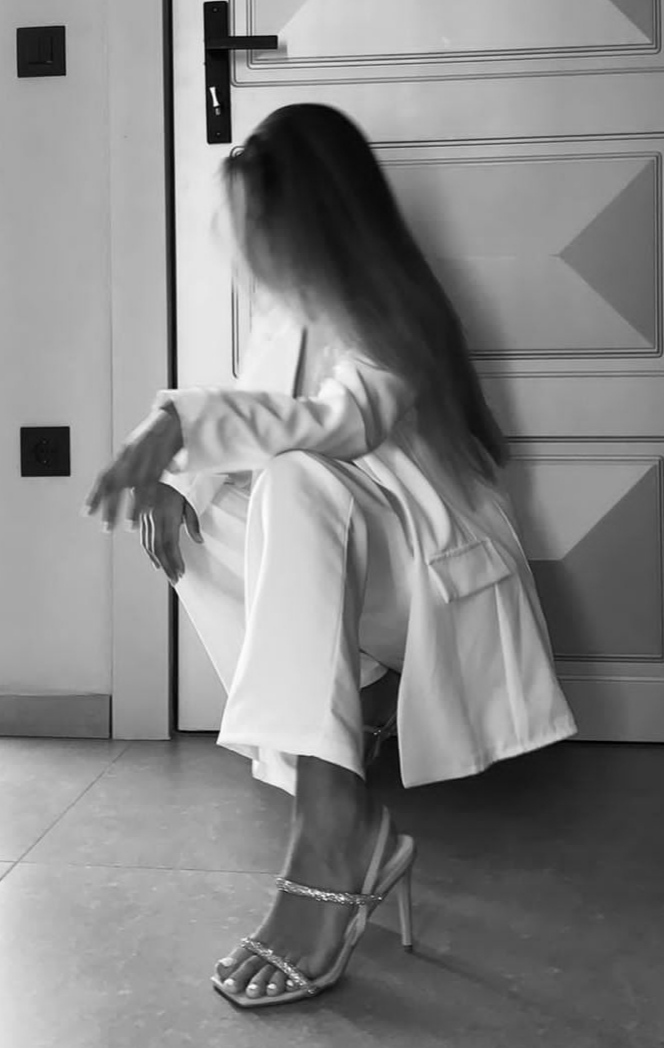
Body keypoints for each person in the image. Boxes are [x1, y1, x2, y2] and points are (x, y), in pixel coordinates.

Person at [85, 103, 577, 1008]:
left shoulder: (390, 312)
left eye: (260, 228)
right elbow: (254, 408)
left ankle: (332, 828)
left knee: (297, 481)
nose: (248, 252)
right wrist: (181, 479)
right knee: (195, 514)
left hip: (421, 581)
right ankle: (346, 757)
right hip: (361, 568)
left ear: (314, 219)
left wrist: (177, 425)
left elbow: (335, 426)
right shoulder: (285, 316)